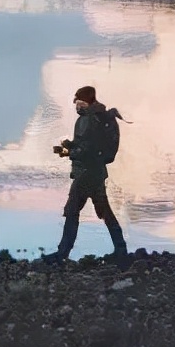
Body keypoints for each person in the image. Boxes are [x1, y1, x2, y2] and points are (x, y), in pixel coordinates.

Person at [43, 85, 129, 265]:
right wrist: (71, 146)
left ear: (87, 102)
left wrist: (69, 152)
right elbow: (90, 145)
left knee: (72, 212)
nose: (76, 106)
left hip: (85, 174)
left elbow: (87, 150)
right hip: (96, 173)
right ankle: (121, 251)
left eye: (79, 102)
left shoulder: (88, 120)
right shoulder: (98, 117)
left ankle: (62, 254)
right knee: (105, 213)